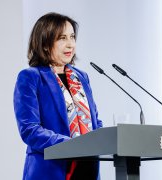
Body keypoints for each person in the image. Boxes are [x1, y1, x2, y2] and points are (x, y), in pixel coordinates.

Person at [13, 12, 103, 180]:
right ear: (46, 43)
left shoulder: (81, 77)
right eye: (62, 38)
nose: (70, 45)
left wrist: (102, 139)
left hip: (87, 168)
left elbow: (95, 122)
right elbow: (29, 130)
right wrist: (72, 145)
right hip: (51, 170)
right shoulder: (31, 77)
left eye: (72, 37)